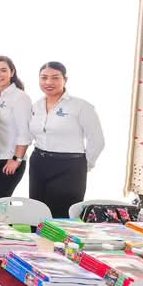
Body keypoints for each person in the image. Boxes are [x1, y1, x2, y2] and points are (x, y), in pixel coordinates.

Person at [28, 62, 105, 218]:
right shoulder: (36, 106)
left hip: (69, 167)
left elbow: (97, 140)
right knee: (37, 213)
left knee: (61, 216)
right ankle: (37, 236)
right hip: (39, 163)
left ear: (65, 80)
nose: (49, 82)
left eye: (55, 78)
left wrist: (85, 165)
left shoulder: (81, 106)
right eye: (44, 78)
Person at [0, 55, 32, 201]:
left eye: (3, 70)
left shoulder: (20, 97)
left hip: (9, 159)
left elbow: (25, 132)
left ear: (12, 72)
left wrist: (16, 159)